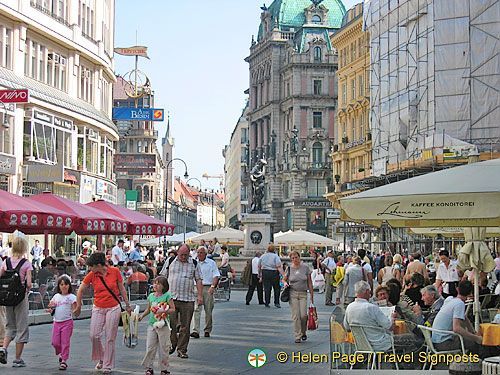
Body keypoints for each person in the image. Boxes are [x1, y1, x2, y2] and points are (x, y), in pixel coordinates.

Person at [74, 252, 132, 374]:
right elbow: (80, 290)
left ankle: (107, 365)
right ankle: (101, 357)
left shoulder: (115, 271)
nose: (90, 269)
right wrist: (78, 305)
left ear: (99, 265)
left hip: (113, 307)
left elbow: (122, 289)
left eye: (92, 266)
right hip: (98, 307)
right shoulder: (92, 275)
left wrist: (127, 305)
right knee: (94, 335)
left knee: (110, 337)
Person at [159, 244, 203, 359]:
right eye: (181, 254)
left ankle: (182, 349)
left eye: (186, 255)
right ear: (177, 253)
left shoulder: (194, 263)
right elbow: (163, 277)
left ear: (189, 254)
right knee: (170, 324)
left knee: (185, 326)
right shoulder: (171, 261)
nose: (183, 257)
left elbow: (198, 279)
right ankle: (173, 344)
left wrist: (199, 295)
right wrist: (159, 294)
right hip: (171, 298)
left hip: (188, 299)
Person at [431, 280, 488, 357]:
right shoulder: (459, 304)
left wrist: (474, 332)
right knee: (476, 344)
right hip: (444, 343)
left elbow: (464, 317)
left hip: (435, 341)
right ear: (470, 293)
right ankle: (478, 365)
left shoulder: (450, 299)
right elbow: (456, 328)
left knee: (471, 340)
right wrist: (476, 338)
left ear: (457, 289)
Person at [0, 237, 32, 368]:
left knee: (10, 326)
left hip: (7, 298)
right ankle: (18, 359)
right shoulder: (26, 263)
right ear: (24, 248)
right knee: (22, 328)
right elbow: (29, 283)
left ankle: (3, 348)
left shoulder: (5, 261)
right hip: (20, 298)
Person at [344, 281, 398, 352]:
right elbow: (390, 327)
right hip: (381, 344)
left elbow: (347, 328)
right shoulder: (371, 308)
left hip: (360, 345)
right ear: (367, 292)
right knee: (412, 339)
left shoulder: (349, 307)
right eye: (369, 292)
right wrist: (392, 317)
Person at [139, 276, 175, 375]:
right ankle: (149, 367)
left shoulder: (167, 296)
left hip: (163, 325)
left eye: (158, 284)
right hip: (152, 325)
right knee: (150, 347)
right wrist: (141, 316)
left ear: (164, 286)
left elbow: (173, 309)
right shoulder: (151, 296)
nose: (155, 285)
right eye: (155, 283)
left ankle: (164, 369)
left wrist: (164, 311)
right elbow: (148, 309)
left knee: (164, 347)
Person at [283, 251, 314, 343]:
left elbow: (309, 282)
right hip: (293, 293)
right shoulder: (289, 268)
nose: (294, 259)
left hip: (303, 293)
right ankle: (298, 335)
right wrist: (285, 283)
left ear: (299, 257)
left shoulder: (305, 267)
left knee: (304, 315)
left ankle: (303, 331)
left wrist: (312, 295)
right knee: (295, 315)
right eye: (292, 258)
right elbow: (284, 279)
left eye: (296, 257)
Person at [47, 275, 77, 371]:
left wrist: (75, 309)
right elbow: (51, 306)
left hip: (67, 322)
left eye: (66, 284)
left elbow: (75, 307)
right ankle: (61, 353)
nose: (64, 286)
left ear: (69, 286)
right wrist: (50, 308)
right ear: (59, 286)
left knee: (65, 342)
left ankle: (64, 360)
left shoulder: (72, 297)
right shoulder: (56, 296)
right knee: (55, 342)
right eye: (62, 284)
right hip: (56, 322)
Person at [191, 247, 220, 339]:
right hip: (196, 287)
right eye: (198, 252)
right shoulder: (194, 263)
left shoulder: (211, 263)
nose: (199, 254)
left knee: (208, 310)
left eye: (201, 253)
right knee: (196, 309)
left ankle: (207, 329)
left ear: (205, 254)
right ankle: (196, 330)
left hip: (207, 287)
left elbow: (216, 275)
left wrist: (212, 286)